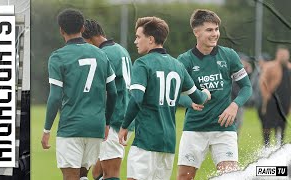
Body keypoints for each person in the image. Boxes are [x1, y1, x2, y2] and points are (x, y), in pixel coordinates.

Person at [118, 16, 211, 180]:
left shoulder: (142, 64)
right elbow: (198, 98)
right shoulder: (178, 66)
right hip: (168, 143)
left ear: (151, 39)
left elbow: (137, 99)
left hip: (146, 141)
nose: (135, 41)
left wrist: (124, 126)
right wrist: (206, 94)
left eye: (138, 37)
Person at [40, 9, 117, 180]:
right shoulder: (101, 55)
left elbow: (55, 97)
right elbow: (113, 93)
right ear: (82, 28)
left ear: (61, 30)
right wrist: (107, 123)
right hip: (96, 127)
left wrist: (46, 130)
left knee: (70, 177)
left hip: (71, 127)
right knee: (82, 175)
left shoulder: (58, 57)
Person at [176, 9, 252, 179]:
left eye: (217, 29)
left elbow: (246, 87)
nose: (215, 34)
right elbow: (175, 94)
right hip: (194, 128)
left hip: (224, 129)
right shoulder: (184, 60)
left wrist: (234, 105)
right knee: (184, 178)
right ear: (196, 32)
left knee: (229, 176)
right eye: (209, 30)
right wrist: (190, 102)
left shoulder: (229, 56)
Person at [81, 19, 134, 180]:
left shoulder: (102, 55)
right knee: (98, 172)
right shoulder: (120, 49)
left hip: (113, 119)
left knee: (111, 173)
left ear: (89, 38)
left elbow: (103, 90)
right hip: (125, 116)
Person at [258, 45, 291, 148]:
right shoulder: (271, 66)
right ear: (277, 55)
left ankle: (279, 146)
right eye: (281, 54)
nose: (283, 56)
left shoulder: (289, 67)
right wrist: (266, 95)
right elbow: (262, 82)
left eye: (285, 54)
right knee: (268, 124)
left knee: (282, 124)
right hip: (272, 101)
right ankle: (266, 146)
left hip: (285, 101)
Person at [231, 53, 253, 135]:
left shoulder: (245, 74)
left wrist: (249, 73)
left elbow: (248, 86)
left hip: (239, 104)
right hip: (230, 102)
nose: (246, 63)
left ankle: (235, 144)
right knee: (231, 124)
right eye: (244, 61)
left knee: (238, 124)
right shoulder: (232, 70)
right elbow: (234, 88)